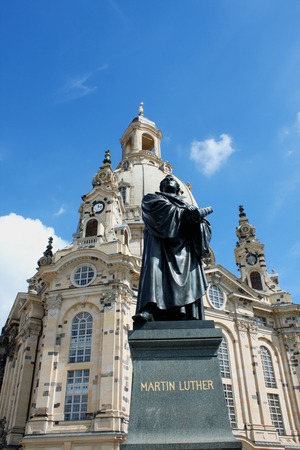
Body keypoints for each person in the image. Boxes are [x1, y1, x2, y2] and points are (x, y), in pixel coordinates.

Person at [133, 175, 212, 323]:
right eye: (166, 180)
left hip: (185, 250)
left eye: (172, 180)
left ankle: (187, 311)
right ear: (161, 187)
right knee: (154, 270)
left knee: (188, 278)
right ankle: (150, 308)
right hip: (159, 244)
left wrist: (197, 222)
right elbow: (158, 215)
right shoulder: (152, 198)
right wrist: (187, 215)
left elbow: (203, 226)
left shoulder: (187, 204)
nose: (169, 178)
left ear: (179, 189)